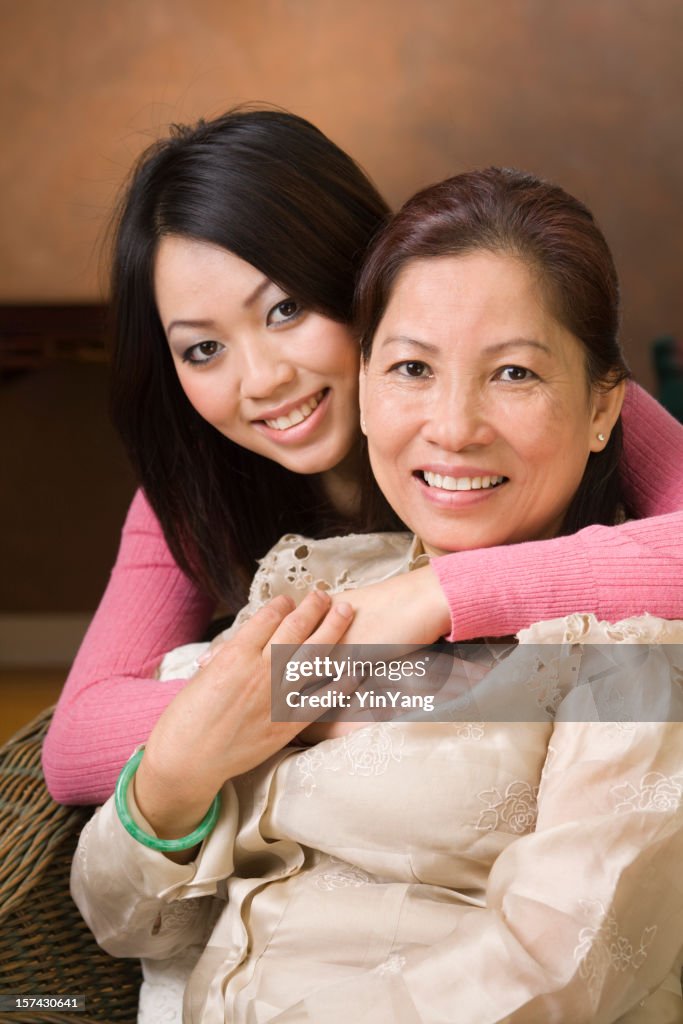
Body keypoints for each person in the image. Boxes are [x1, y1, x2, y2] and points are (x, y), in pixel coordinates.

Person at [72, 168, 683, 1023]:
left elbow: (558, 972)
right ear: (367, 385)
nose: (454, 424)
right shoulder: (311, 585)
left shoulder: (631, 653)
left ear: (600, 410)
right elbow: (131, 925)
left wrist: (438, 596)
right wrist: (177, 771)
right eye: (410, 368)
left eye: (512, 374)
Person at [42, 108, 683, 806]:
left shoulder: (543, 390)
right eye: (203, 349)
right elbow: (75, 744)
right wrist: (355, 689)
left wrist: (427, 598)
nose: (261, 380)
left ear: (361, 277)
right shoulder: (195, 483)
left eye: (284, 310)